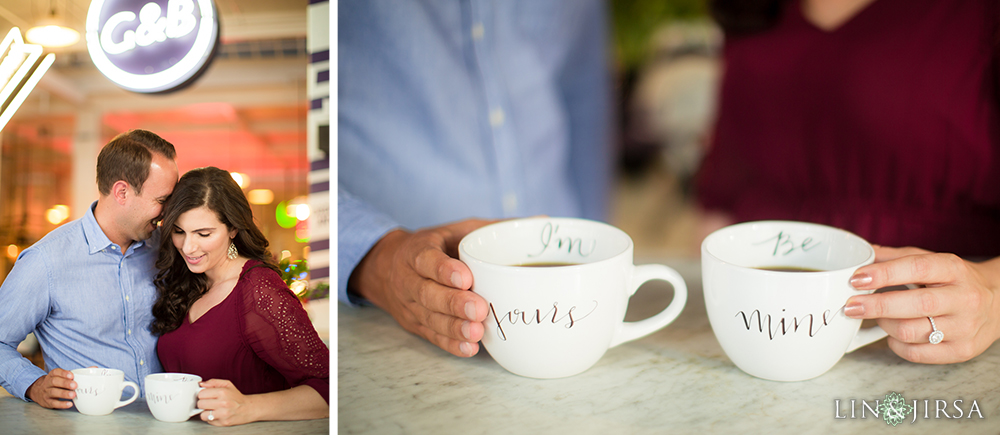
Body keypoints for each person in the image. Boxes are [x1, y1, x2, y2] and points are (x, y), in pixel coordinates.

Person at [696, 0, 1000, 363]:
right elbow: (723, 192)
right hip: (758, 338)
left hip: (928, 356)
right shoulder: (752, 13)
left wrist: (993, 296)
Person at [338, 0, 612, 357]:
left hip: (572, 301)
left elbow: (582, 89)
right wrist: (376, 258)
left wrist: (598, 247)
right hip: (393, 327)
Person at [0, 129, 178, 408]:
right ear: (122, 192)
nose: (168, 211)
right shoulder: (45, 261)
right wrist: (33, 384)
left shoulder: (166, 249)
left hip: (164, 422)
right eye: (161, 200)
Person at [152, 167, 329, 426]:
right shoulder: (186, 281)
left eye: (204, 234)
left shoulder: (259, 289)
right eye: (179, 231)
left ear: (233, 228)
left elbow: (328, 386)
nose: (188, 247)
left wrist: (249, 407)